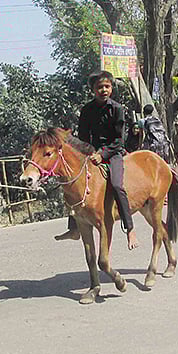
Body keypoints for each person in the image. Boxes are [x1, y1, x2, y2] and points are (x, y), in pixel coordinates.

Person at [55, 71, 139, 249]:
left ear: (111, 88)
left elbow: (119, 140)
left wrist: (103, 154)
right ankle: (74, 228)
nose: (103, 90)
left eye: (107, 86)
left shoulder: (117, 109)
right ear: (93, 89)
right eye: (99, 87)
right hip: (91, 153)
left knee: (116, 185)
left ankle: (130, 228)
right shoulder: (86, 110)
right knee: (73, 184)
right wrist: (85, 153)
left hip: (113, 153)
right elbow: (84, 136)